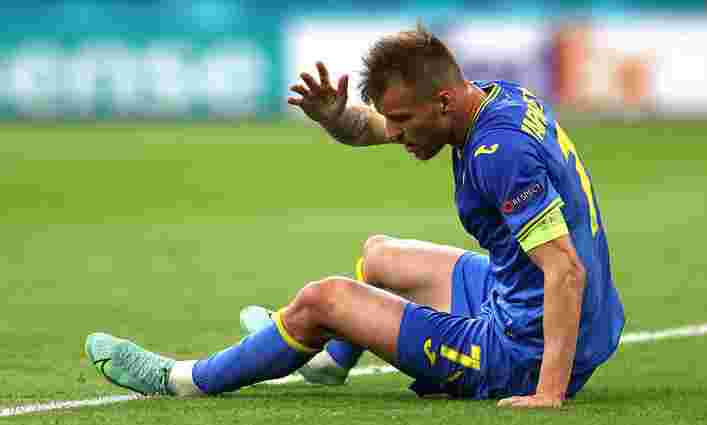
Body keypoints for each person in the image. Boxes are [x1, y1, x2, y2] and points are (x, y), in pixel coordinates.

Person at [85, 25, 624, 409]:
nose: (398, 133)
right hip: (556, 309)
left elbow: (565, 269)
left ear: (442, 101)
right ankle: (327, 361)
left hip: (525, 348)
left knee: (324, 299)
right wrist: (335, 117)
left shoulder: (498, 153)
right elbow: (367, 128)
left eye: (403, 120)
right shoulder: (492, 100)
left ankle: (182, 378)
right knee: (379, 255)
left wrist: (547, 391)